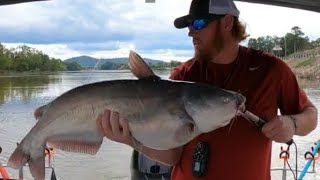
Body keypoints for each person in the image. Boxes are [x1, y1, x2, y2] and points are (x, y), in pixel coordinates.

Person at [96, 0, 318, 179]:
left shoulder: (271, 69)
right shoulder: (182, 77)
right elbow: (174, 155)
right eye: (189, 26)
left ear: (227, 23)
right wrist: (130, 140)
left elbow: (311, 116)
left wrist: (293, 124)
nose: (191, 33)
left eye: (199, 24)